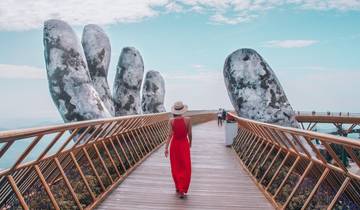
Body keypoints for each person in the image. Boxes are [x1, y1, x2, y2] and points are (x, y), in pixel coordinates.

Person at [164, 101, 192, 198]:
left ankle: (178, 187)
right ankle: (182, 189)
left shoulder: (171, 121)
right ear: (183, 111)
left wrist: (166, 148)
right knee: (185, 166)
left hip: (174, 146)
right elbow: (190, 134)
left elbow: (169, 135)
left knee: (176, 166)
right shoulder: (188, 120)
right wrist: (190, 143)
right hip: (184, 144)